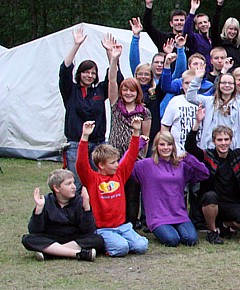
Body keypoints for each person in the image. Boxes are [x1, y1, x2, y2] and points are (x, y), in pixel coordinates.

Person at [76, 118, 149, 257]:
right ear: (101, 165)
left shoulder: (119, 174)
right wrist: (84, 137)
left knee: (141, 246)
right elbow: (81, 164)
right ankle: (107, 245)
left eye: (117, 161)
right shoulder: (92, 179)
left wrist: (136, 131)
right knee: (122, 248)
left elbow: (131, 155)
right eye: (112, 163)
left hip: (122, 226)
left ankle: (120, 241)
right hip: (103, 229)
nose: (117, 165)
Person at [185, 121, 240, 245]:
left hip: (233, 203)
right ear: (213, 141)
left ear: (231, 141)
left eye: (226, 139)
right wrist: (197, 124)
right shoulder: (208, 155)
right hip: (211, 202)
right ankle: (212, 231)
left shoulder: (238, 156)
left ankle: (224, 225)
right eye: (219, 140)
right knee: (210, 196)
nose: (223, 143)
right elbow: (190, 147)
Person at [131, 131, 210, 247]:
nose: (166, 148)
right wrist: (139, 144)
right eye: (162, 144)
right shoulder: (145, 165)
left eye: (169, 144)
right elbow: (126, 165)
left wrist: (189, 158)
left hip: (179, 214)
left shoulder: (181, 165)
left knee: (191, 239)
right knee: (172, 240)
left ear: (173, 146)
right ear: (156, 146)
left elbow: (204, 174)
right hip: (158, 217)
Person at [60, 27, 117, 184]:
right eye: (86, 72)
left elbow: (114, 78)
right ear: (80, 73)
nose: (89, 75)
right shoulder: (70, 91)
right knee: (77, 183)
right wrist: (76, 45)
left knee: (99, 182)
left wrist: (110, 53)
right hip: (76, 144)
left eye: (93, 73)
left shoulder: (99, 91)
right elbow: (64, 70)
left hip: (98, 144)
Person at [22, 169, 104, 261]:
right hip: (52, 238)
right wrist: (39, 209)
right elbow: (34, 231)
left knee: (98, 240)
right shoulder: (46, 201)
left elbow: (88, 231)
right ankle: (78, 254)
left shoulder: (79, 201)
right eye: (68, 184)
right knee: (27, 239)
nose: (74, 187)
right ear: (56, 188)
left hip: (74, 238)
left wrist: (86, 208)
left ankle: (50, 253)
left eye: (73, 183)